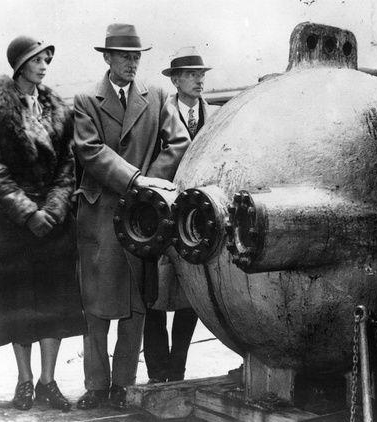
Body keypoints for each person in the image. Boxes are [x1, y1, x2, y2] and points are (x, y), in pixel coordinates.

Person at [73, 23, 190, 410]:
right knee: (96, 305)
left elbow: (179, 141)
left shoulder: (156, 95)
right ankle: (96, 385)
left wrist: (149, 183)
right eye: (124, 56)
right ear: (107, 57)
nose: (132, 62)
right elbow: (90, 151)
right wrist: (136, 179)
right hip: (100, 213)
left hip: (141, 215)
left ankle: (124, 384)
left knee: (136, 303)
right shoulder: (86, 99)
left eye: (136, 56)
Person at [0, 35, 86, 412]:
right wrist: (27, 212)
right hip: (12, 225)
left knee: (54, 304)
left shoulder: (57, 107)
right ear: (20, 65)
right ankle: (24, 380)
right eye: (37, 60)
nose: (43, 66)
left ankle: (47, 381)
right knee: (19, 305)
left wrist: (51, 211)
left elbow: (67, 166)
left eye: (46, 60)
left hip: (53, 225)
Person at [143, 46, 219, 384]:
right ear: (175, 80)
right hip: (160, 213)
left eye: (201, 74)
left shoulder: (215, 117)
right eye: (191, 75)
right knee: (155, 296)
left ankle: (177, 370)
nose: (199, 80)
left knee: (190, 296)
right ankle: (156, 372)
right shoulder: (159, 113)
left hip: (196, 217)